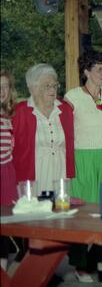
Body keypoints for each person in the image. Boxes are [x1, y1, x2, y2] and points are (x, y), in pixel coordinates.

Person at [64, 50, 102, 282]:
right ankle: (80, 265)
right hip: (83, 157)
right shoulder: (73, 96)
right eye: (99, 69)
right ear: (86, 71)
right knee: (83, 213)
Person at [12, 64, 75, 193]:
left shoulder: (65, 109)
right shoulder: (20, 111)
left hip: (60, 173)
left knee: (60, 210)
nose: (53, 89)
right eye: (47, 86)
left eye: (55, 85)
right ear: (33, 89)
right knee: (35, 211)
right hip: (33, 174)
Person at [0, 70, 18, 272]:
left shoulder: (8, 116)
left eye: (5, 86)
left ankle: (2, 274)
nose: (2, 90)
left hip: (6, 174)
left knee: (4, 226)